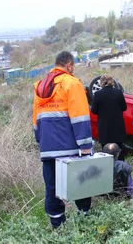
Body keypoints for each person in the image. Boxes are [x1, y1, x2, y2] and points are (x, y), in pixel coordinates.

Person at [32, 51, 93, 229]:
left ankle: (58, 225)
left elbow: (36, 120)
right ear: (69, 65)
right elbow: (80, 117)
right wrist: (86, 145)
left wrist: (41, 142)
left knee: (52, 188)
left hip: (48, 148)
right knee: (82, 184)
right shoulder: (72, 83)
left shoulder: (40, 86)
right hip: (70, 148)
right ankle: (85, 219)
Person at [91, 75, 127, 160]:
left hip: (104, 127)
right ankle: (120, 166)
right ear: (112, 81)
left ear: (101, 82)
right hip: (117, 126)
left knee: (106, 150)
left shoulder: (98, 94)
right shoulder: (118, 92)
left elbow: (94, 111)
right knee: (119, 148)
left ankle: (108, 167)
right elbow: (124, 107)